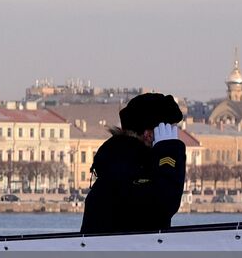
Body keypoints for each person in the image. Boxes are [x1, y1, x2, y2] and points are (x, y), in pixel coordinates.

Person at [80, 92, 186, 234]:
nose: (174, 136)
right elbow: (164, 205)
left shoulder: (116, 159)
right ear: (149, 135)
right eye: (169, 130)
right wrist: (168, 151)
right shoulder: (127, 166)